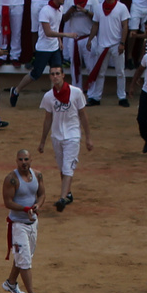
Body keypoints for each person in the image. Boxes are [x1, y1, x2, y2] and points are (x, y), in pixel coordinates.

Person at [36, 65, 89, 212]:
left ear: (63, 75)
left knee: (67, 167)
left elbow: (83, 115)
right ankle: (68, 193)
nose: (55, 76)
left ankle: (62, 198)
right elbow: (47, 119)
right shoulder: (48, 96)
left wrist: (88, 137)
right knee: (62, 167)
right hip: (57, 136)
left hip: (72, 135)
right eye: (52, 74)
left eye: (57, 73)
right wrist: (42, 141)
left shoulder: (76, 93)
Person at [0, 148, 41, 293]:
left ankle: (11, 282)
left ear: (31, 160)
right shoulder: (11, 179)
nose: (23, 162)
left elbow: (42, 194)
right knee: (25, 260)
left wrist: (37, 205)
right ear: (16, 161)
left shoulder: (37, 175)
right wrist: (25, 209)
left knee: (24, 256)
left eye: (26, 159)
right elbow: (8, 202)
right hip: (18, 225)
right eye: (21, 160)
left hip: (33, 223)